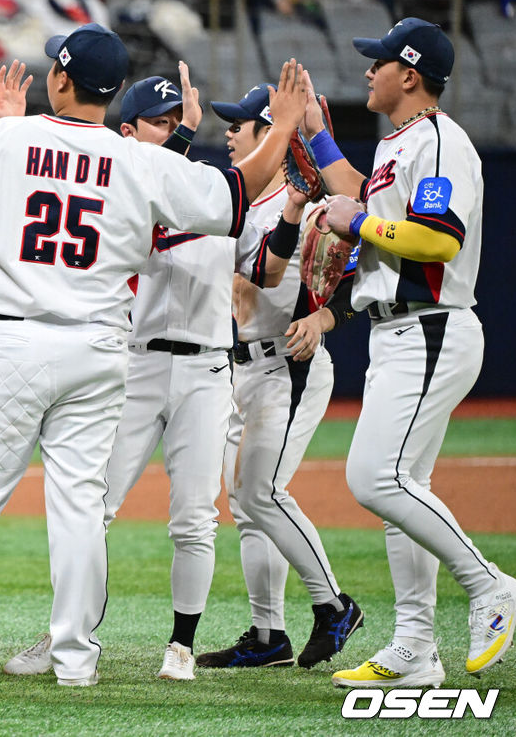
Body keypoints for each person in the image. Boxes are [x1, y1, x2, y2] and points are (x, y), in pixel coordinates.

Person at [0, 24, 308, 686]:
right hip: (100, 348)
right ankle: (76, 658)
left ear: (59, 78)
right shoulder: (139, 158)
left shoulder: (7, 139)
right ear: (112, 95)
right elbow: (234, 193)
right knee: (78, 506)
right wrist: (279, 128)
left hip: (14, 340)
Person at [297, 18, 516, 687]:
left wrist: (358, 222)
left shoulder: (443, 140)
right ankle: (417, 649)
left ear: (410, 74)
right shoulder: (406, 142)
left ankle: (491, 587)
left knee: (375, 478)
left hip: (429, 324)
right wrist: (314, 132)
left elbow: (437, 240)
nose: (368, 70)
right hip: (400, 329)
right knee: (401, 490)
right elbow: (362, 192)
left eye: (379, 62)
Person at [1, 66, 236, 683]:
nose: (169, 130)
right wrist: (181, 141)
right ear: (125, 130)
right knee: (92, 505)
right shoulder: (111, 183)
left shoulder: (204, 184)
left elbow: (252, 251)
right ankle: (67, 638)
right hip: (135, 361)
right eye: (156, 123)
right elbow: (149, 218)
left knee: (194, 516)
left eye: (173, 121)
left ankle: (181, 646)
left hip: (207, 369)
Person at [193, 83, 364, 671]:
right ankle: (269, 636)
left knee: (261, 492)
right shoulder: (238, 204)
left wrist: (326, 314)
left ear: (273, 132)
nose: (230, 131)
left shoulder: (312, 208)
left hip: (290, 367)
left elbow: (368, 275)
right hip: (241, 368)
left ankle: (334, 605)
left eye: (241, 123)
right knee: (246, 503)